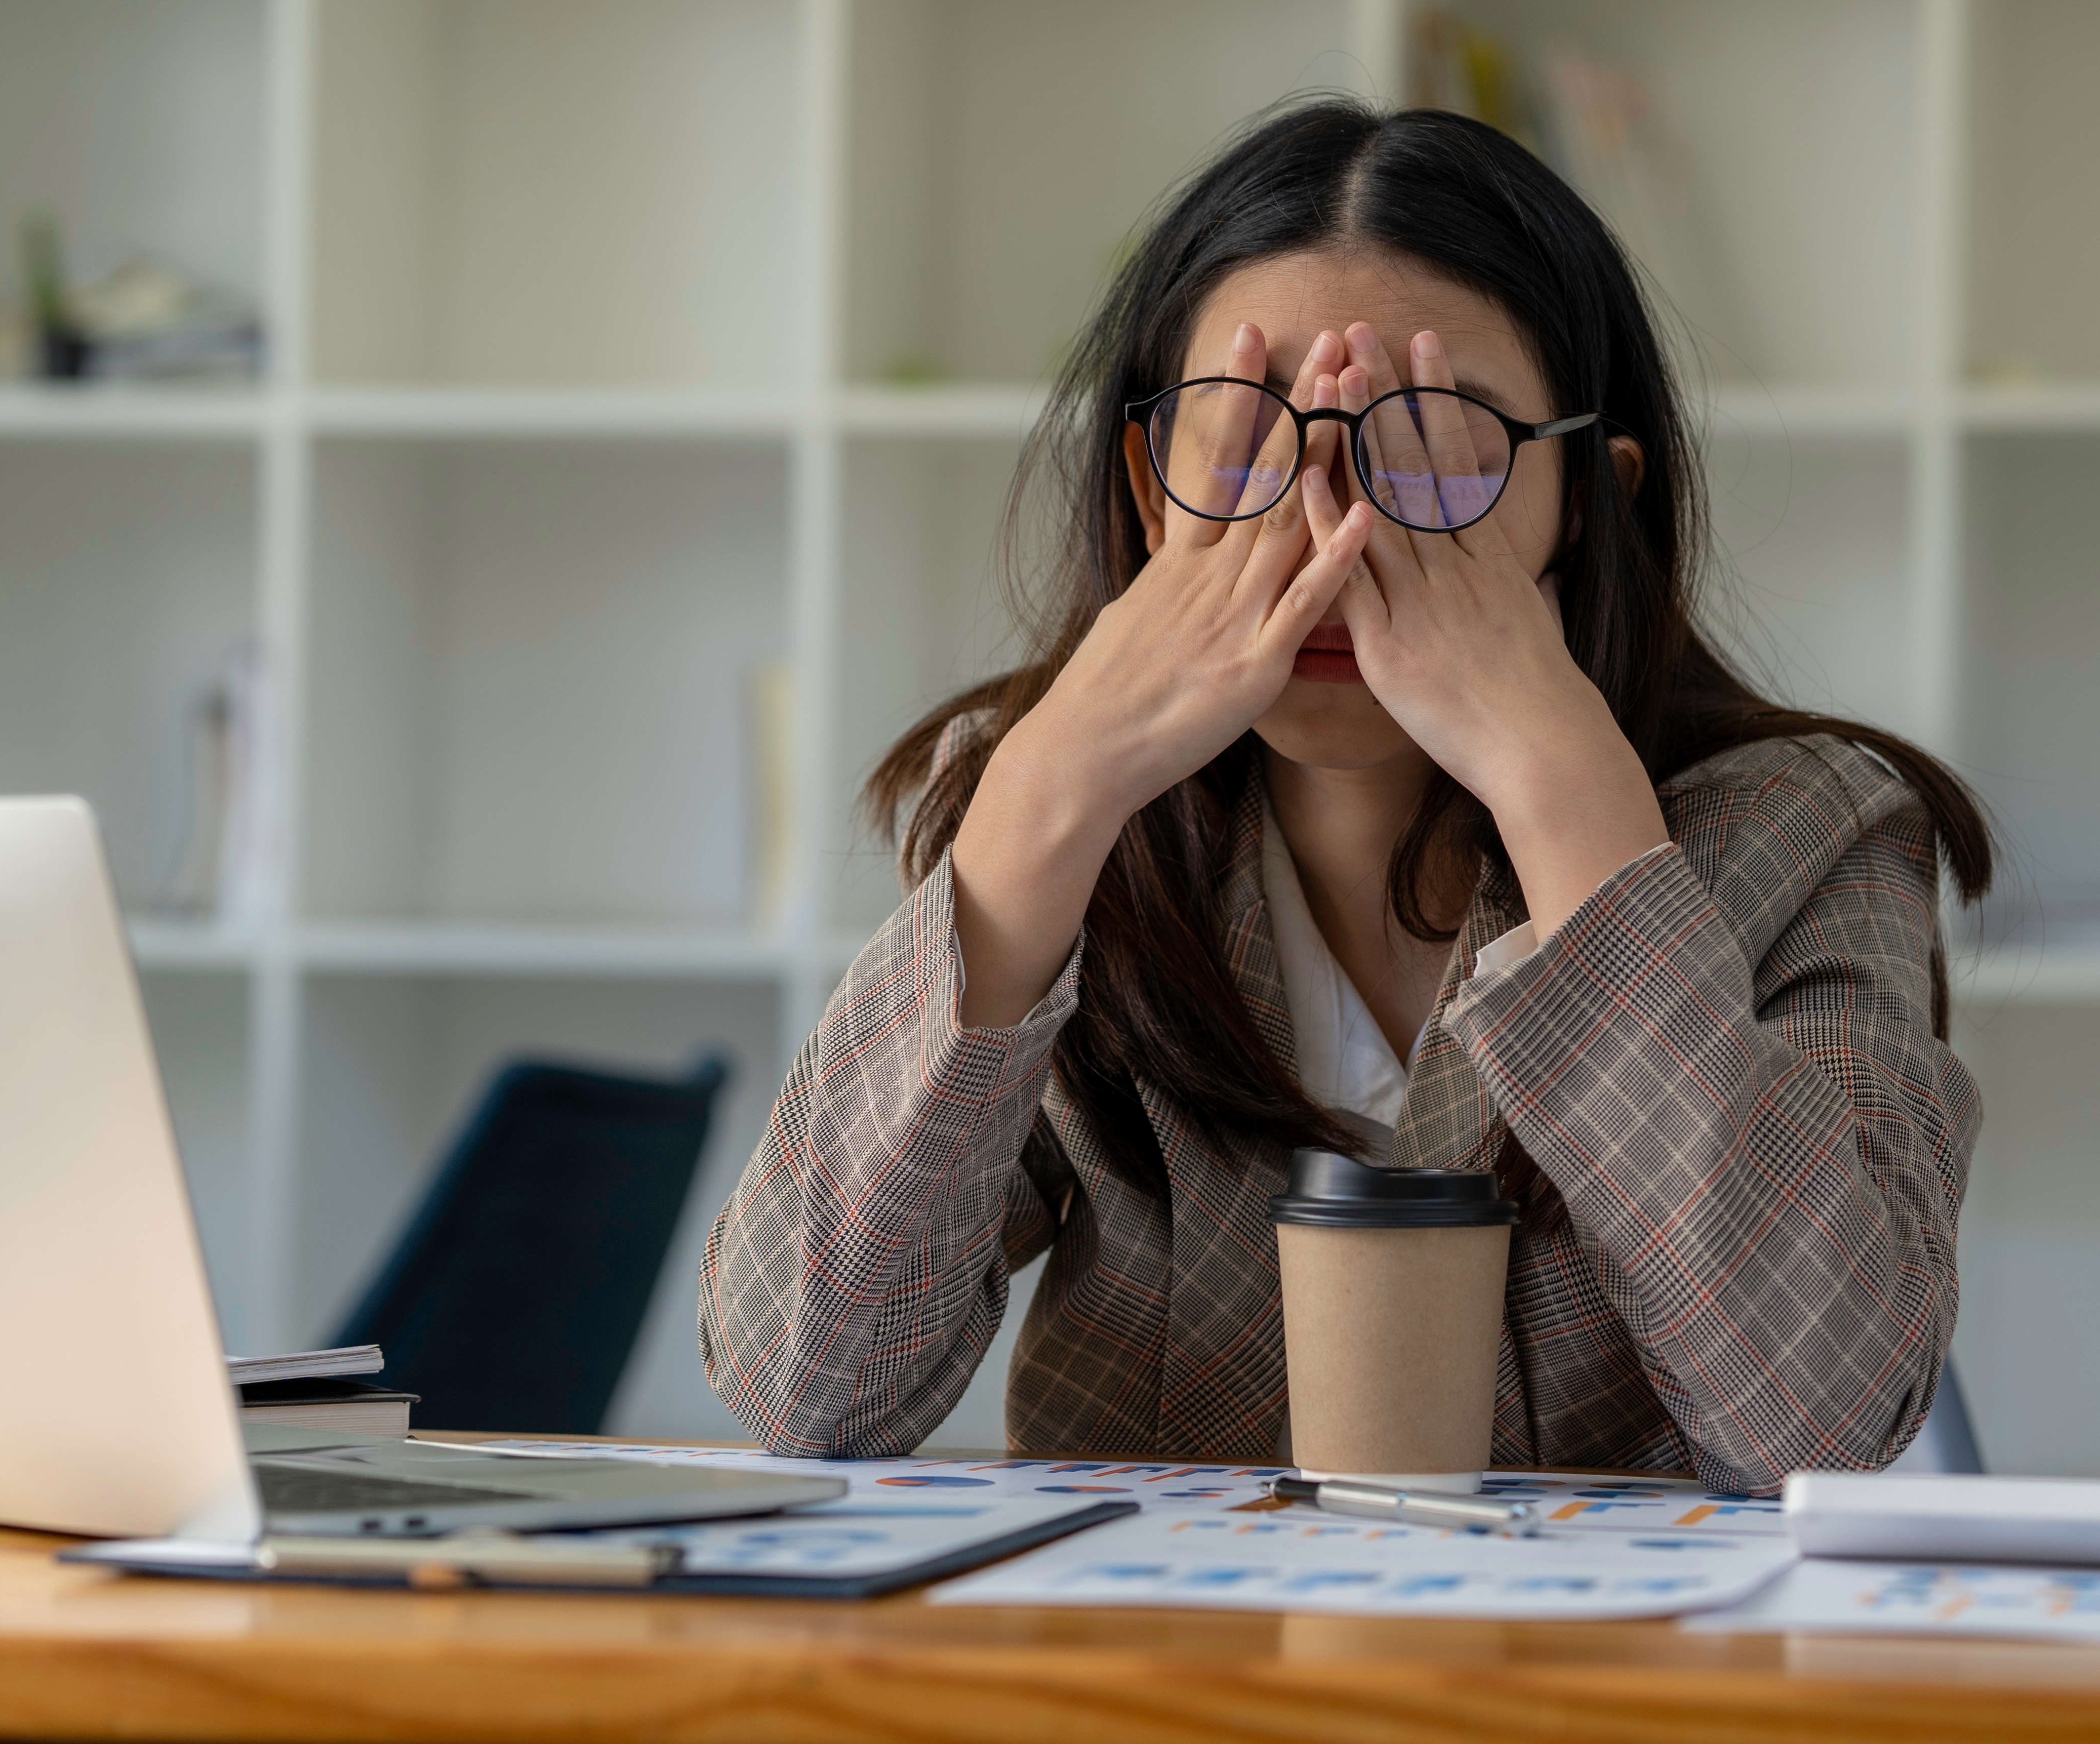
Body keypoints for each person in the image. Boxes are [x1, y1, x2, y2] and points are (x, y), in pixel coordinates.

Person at [698, 99, 1989, 1494]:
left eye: (1432, 442)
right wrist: (1048, 794)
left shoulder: (1817, 829)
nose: (1329, 524)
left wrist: (1573, 806)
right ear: (1147, 488)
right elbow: (800, 1390)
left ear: (1590, 502)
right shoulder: (1053, 820)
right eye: (1247, 435)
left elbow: (1822, 1423)